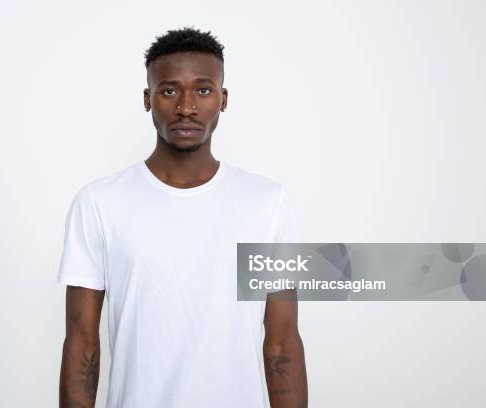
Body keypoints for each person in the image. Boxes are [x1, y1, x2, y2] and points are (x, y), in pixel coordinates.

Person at [58, 27, 308, 408]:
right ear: (148, 98)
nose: (186, 107)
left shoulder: (268, 202)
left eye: (203, 90)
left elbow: (282, 343)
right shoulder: (98, 203)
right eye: (170, 90)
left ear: (223, 100)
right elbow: (82, 344)